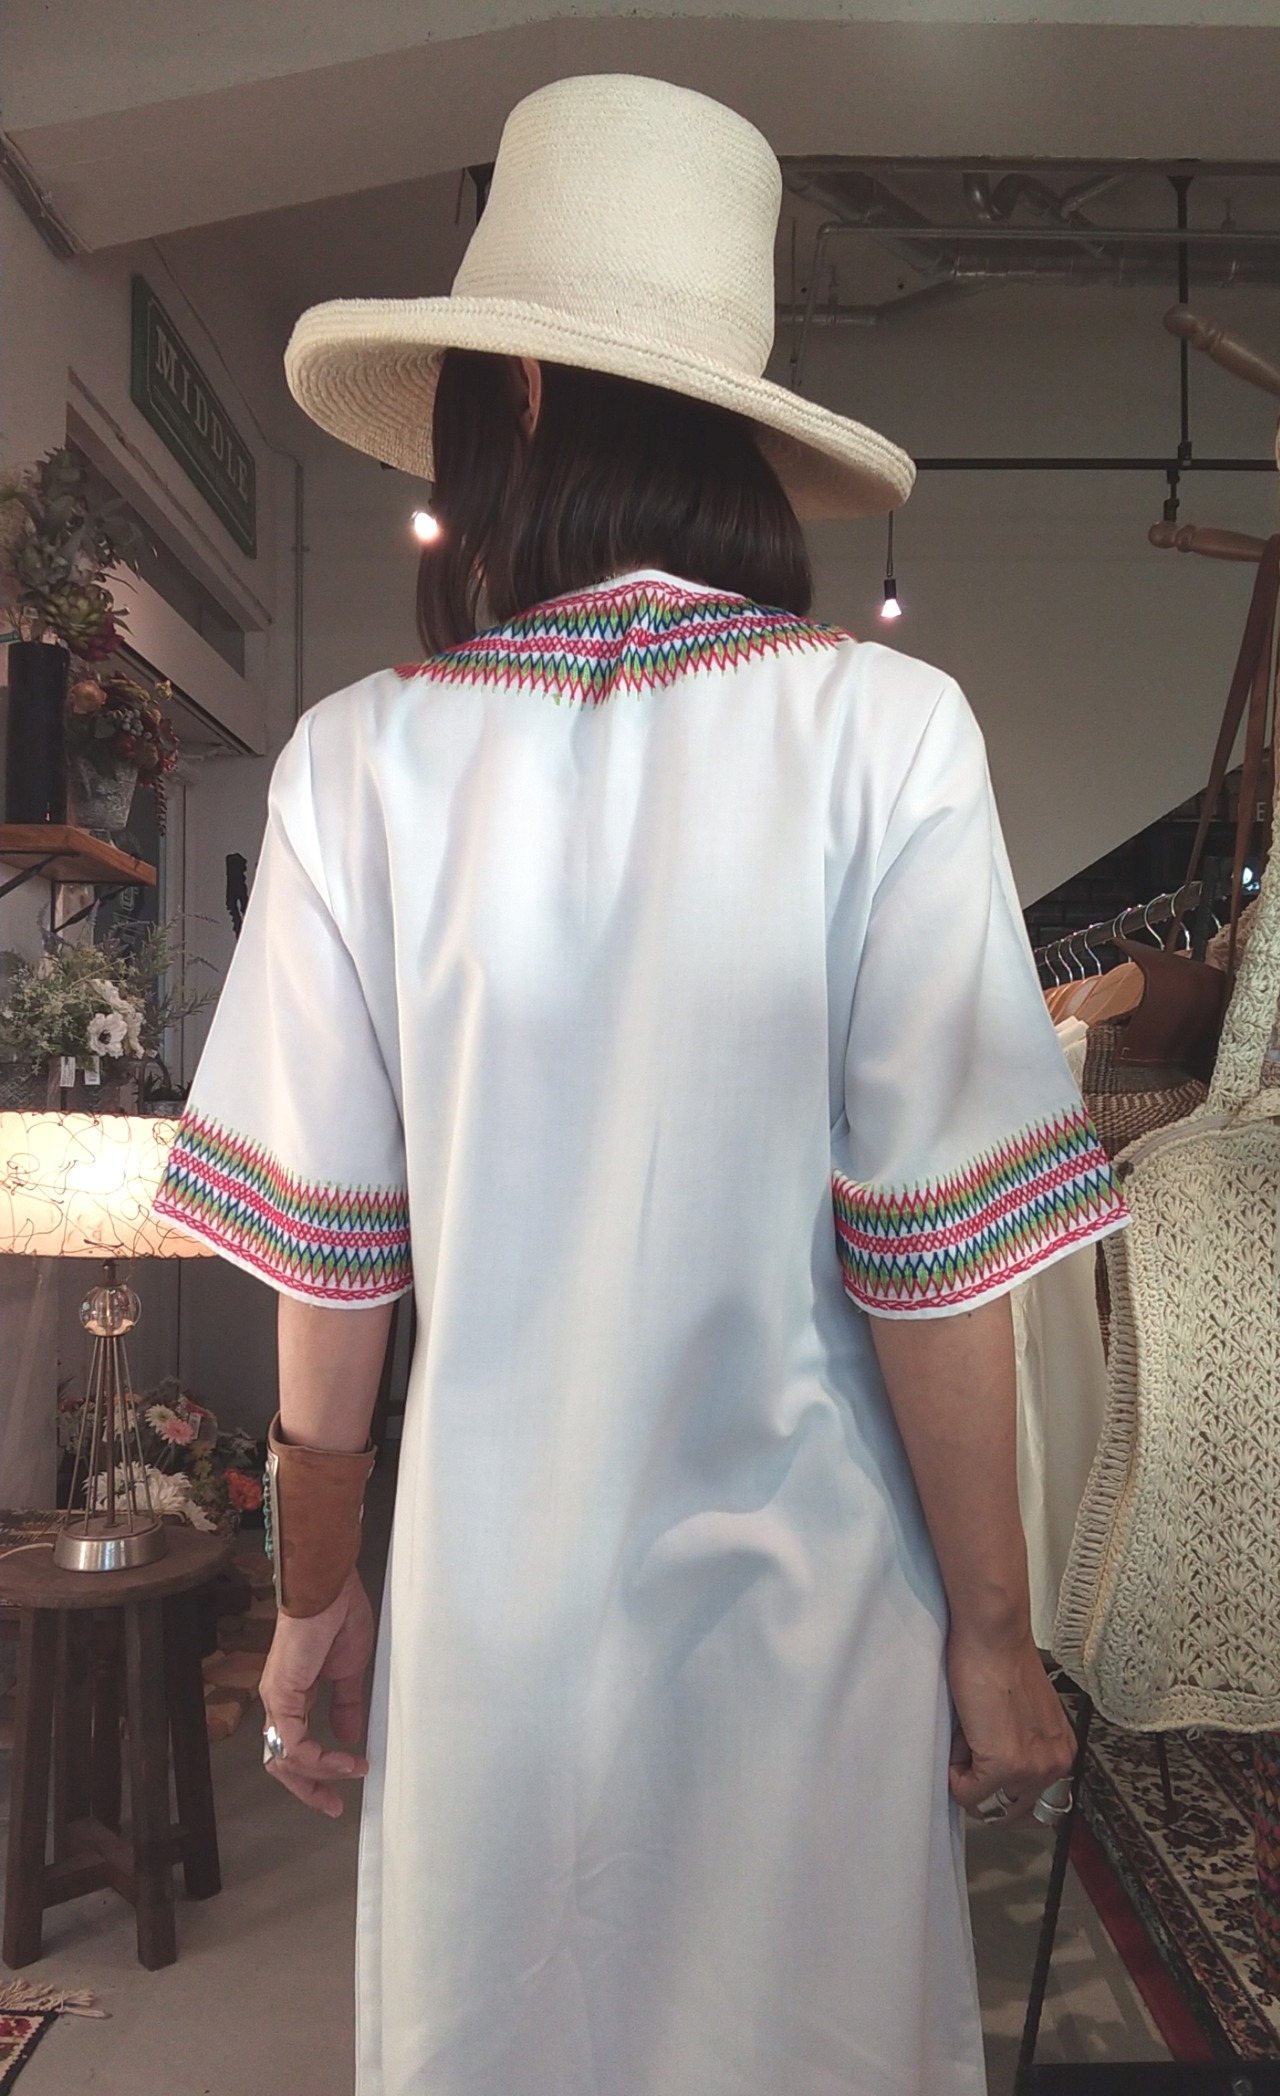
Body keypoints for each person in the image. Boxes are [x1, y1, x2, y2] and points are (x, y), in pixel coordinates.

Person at [156, 72, 1127, 2096]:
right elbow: (934, 1261)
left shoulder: (357, 763)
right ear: (737, 426)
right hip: (811, 1615)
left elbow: (333, 1269)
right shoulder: (885, 735)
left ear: (515, 390)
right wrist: (991, 1634)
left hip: (492, 1634)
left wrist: (317, 1595)